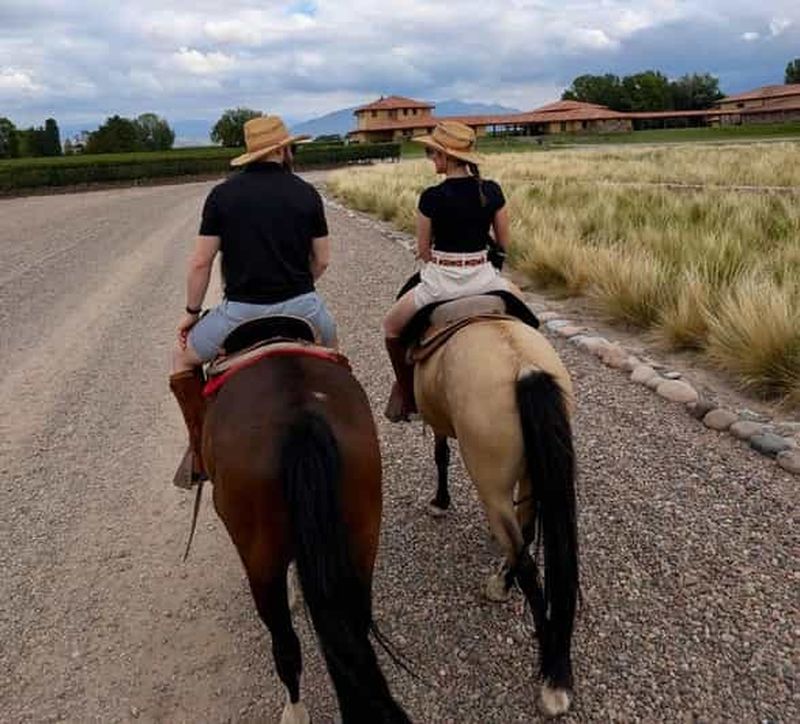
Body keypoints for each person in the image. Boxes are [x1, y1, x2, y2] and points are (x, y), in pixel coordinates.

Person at [169, 115, 337, 487]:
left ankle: (198, 448)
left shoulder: (222, 196)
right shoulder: (306, 193)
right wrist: (297, 287)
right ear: (281, 149)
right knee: (336, 358)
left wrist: (191, 314)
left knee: (181, 359)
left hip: (239, 314)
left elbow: (200, 262)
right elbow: (322, 259)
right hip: (303, 308)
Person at [383, 120, 521, 422]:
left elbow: (423, 251)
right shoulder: (492, 191)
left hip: (441, 281)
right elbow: (503, 244)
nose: (431, 159)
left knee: (391, 328)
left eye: (433, 153)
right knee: (525, 318)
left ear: (446, 157)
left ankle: (409, 398)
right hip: (485, 278)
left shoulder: (431, 197)